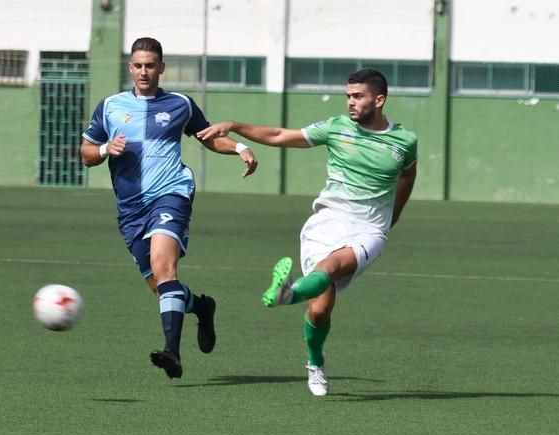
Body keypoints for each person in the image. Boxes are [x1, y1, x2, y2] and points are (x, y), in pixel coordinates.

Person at [197, 68, 417, 396]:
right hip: (327, 221)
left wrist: (393, 216)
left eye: (358, 97)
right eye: (348, 96)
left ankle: (287, 294)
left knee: (329, 269)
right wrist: (235, 126)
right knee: (319, 309)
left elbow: (407, 177)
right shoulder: (336, 128)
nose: (350, 103)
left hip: (369, 229)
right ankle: (315, 363)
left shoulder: (404, 141)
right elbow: (279, 136)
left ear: (379, 100)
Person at [80, 37, 258, 379]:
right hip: (130, 208)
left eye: (150, 65)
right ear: (130, 68)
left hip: (170, 194)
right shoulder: (110, 106)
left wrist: (239, 148)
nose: (144, 71)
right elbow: (86, 154)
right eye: (138, 65)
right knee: (162, 286)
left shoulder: (180, 104)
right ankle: (202, 307)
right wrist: (105, 150)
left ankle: (172, 352)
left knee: (164, 267)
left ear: (161, 68)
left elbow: (208, 136)